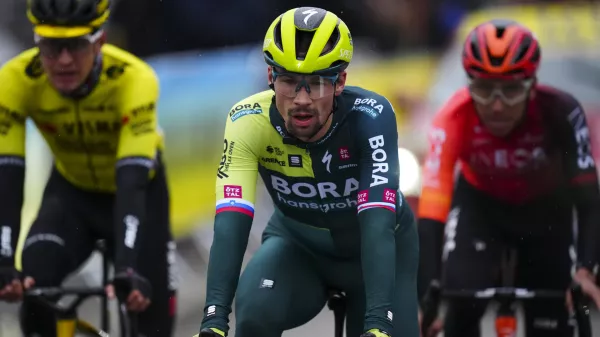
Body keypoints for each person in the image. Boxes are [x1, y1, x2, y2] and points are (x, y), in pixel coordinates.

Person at [196, 6, 419, 337]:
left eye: (315, 84)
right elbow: (231, 223)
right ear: (271, 78)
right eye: (288, 82)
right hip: (299, 249)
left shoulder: (371, 116)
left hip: (377, 252)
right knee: (255, 317)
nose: (301, 99)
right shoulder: (247, 121)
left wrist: (377, 321)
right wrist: (213, 319)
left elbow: (377, 224)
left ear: (340, 81)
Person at [0, 0, 177, 336]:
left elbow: (132, 180)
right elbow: (7, 175)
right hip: (71, 198)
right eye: (52, 47)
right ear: (37, 42)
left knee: (146, 307)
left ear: (100, 41)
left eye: (77, 45)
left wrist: (126, 265)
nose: (64, 60)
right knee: (36, 284)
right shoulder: (14, 80)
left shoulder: (133, 79)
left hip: (139, 199)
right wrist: (4, 258)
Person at [417, 19, 600, 337]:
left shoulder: (561, 111)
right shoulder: (454, 115)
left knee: (552, 319)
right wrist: (427, 299)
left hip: (546, 213)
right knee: (460, 305)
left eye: (512, 90)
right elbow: (433, 210)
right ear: (470, 84)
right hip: (480, 208)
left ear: (532, 84)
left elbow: (588, 198)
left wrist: (585, 269)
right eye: (484, 90)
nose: (497, 106)